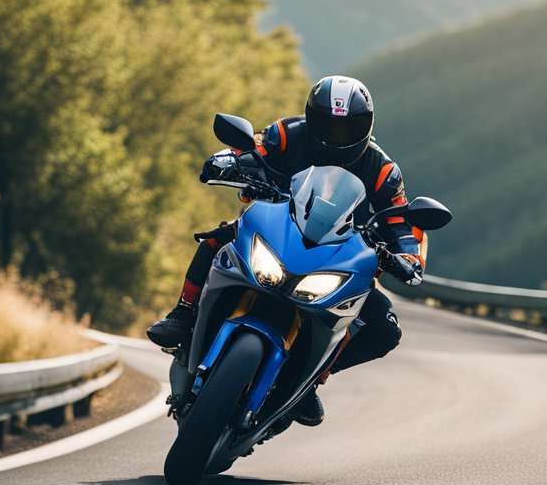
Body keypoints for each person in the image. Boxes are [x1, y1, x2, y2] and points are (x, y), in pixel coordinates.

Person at [147, 76, 426, 427]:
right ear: (312, 117)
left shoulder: (382, 170)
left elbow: (399, 219)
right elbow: (253, 149)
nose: (335, 136)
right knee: (220, 237)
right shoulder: (287, 133)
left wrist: (406, 255)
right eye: (326, 124)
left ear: (366, 127)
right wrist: (226, 160)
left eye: (347, 127)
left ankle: (310, 381)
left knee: (384, 329)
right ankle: (184, 312)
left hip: (337, 256)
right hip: (276, 230)